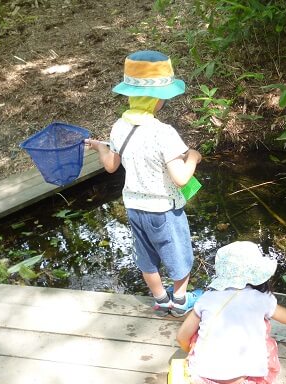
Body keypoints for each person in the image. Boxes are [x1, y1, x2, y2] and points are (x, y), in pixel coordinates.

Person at [85, 50, 202, 317]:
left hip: (135, 208)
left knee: (147, 258)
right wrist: (193, 157)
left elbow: (111, 166)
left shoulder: (118, 127)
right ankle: (181, 302)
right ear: (159, 100)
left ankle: (161, 300)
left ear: (130, 94)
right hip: (164, 210)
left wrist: (100, 148)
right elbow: (181, 178)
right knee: (180, 255)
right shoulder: (164, 133)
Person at [176, 241, 286, 384]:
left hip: (203, 383)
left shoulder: (207, 299)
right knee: (266, 341)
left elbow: (181, 337)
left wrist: (192, 350)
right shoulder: (262, 299)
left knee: (198, 333)